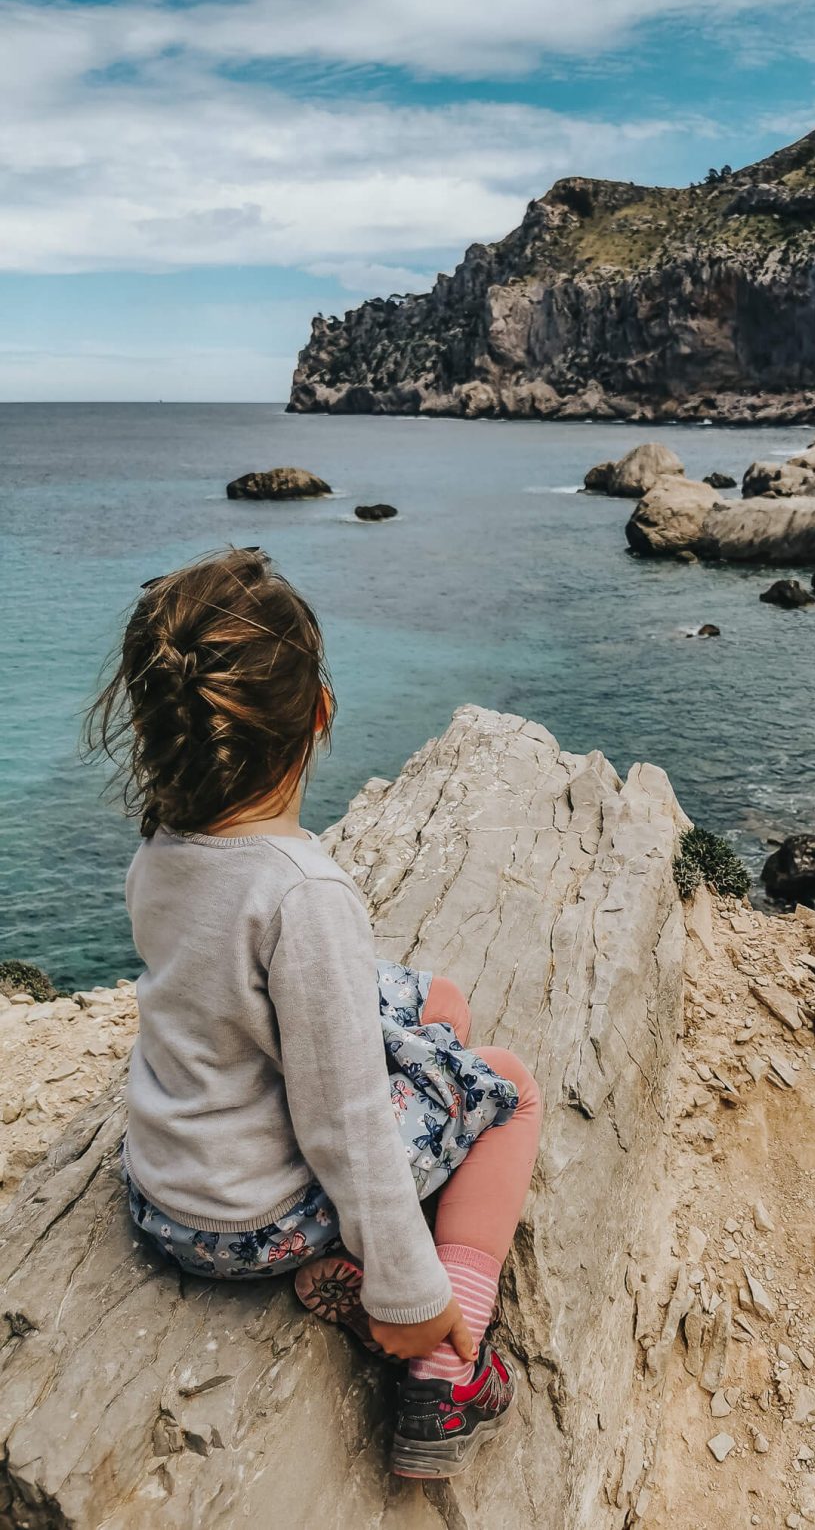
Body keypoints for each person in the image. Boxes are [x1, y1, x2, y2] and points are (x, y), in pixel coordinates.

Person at [85, 546, 541, 1479]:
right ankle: (444, 1374)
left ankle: (323, 1265)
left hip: (168, 1198)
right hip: (259, 1215)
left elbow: (239, 998)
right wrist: (407, 1286)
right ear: (319, 715)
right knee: (512, 1089)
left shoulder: (159, 852)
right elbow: (347, 1130)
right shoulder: (304, 894)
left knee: (436, 999)